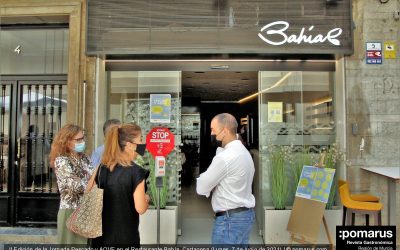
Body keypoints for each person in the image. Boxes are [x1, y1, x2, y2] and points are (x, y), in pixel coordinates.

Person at [196, 113, 255, 245]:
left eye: (213, 129)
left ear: (225, 131)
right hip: (245, 217)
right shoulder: (243, 152)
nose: (211, 133)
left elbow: (201, 187)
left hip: (229, 221)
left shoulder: (225, 157)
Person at [89, 123, 150, 247]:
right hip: (125, 236)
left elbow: (88, 190)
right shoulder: (137, 172)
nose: (143, 143)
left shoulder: (102, 167)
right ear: (129, 145)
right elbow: (141, 208)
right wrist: (147, 198)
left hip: (100, 235)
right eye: (140, 139)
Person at [49, 124, 92, 244]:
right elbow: (75, 187)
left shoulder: (85, 158)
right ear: (67, 141)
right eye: (78, 139)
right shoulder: (62, 161)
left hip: (87, 210)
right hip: (70, 211)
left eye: (83, 138)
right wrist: (90, 182)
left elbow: (94, 178)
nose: (82, 142)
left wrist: (90, 181)